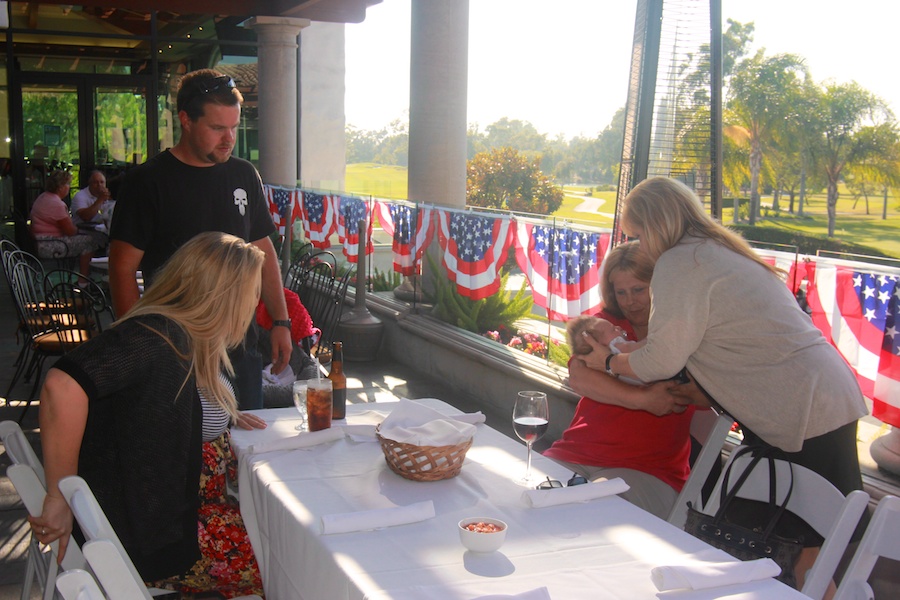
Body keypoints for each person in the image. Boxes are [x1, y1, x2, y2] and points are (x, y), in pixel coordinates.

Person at [585, 176, 868, 591]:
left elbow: (659, 361)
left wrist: (610, 360)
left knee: (799, 555)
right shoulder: (715, 250)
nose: (641, 248)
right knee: (803, 554)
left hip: (802, 411)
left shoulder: (680, 261)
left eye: (640, 235)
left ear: (658, 224)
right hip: (820, 399)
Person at [29, 232, 267, 596]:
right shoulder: (157, 335)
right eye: (253, 292)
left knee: (285, 532)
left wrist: (222, 415)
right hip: (162, 534)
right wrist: (58, 496)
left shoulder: (187, 335)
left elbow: (161, 407)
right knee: (282, 551)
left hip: (185, 512)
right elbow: (61, 386)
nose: (255, 302)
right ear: (224, 296)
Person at [109, 68, 291, 410]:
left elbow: (263, 251)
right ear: (186, 121)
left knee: (244, 447)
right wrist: (141, 345)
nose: (229, 138)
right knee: (187, 457)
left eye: (234, 127)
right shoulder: (147, 182)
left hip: (241, 348)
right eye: (217, 128)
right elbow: (122, 270)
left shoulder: (243, 174)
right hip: (178, 351)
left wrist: (281, 322)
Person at [544, 241, 696, 519]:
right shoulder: (606, 326)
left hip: (646, 470)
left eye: (639, 290)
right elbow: (580, 376)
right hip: (576, 453)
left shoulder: (680, 334)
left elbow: (677, 396)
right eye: (621, 292)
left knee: (586, 515)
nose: (629, 301)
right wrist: (643, 399)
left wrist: (610, 367)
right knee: (525, 497)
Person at [29, 169, 99, 280]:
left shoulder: (43, 197)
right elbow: (70, 231)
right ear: (61, 186)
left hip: (38, 241)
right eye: (68, 184)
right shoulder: (56, 204)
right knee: (90, 242)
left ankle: (84, 279)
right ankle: (83, 281)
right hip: (49, 244)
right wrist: (78, 228)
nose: (69, 187)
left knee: (86, 239)